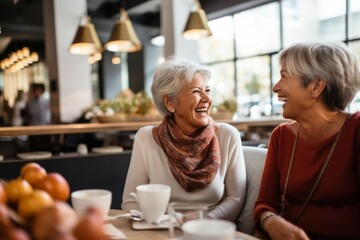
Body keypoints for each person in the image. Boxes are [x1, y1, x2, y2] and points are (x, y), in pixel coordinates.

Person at [254, 41, 360, 240]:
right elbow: (265, 203)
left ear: (316, 86)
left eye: (283, 76)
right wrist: (270, 220)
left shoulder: (356, 130)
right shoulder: (281, 136)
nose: (276, 87)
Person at [122, 58, 246, 221]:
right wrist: (161, 227)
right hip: (161, 233)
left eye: (207, 90)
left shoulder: (228, 135)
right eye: (196, 91)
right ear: (170, 102)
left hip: (211, 231)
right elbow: (131, 202)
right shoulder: (145, 138)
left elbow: (235, 199)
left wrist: (204, 220)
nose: (207, 99)